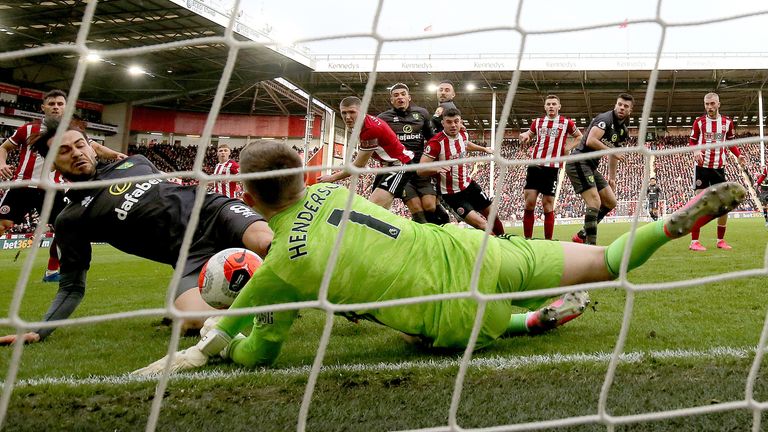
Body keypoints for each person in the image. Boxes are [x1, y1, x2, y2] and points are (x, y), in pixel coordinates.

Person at [133, 140, 745, 373]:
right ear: (303, 177)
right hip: (473, 246)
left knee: (422, 329)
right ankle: (668, 225)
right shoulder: (329, 189)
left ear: (245, 195)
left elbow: (261, 352)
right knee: (605, 262)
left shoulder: (282, 269)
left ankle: (527, 321)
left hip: (450, 308)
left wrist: (229, 339)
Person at [0, 123, 273, 345]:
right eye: (64, 151)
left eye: (80, 145)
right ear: (53, 165)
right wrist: (40, 331)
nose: (75, 153)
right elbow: (71, 287)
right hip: (190, 256)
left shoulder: (137, 162)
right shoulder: (70, 219)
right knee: (191, 320)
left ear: (93, 149)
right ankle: (268, 300)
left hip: (214, 211)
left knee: (264, 242)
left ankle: (280, 284)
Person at [0, 89, 126, 282]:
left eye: (60, 104)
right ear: (43, 107)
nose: (56, 107)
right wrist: (1, 164)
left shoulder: (72, 132)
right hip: (23, 186)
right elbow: (4, 148)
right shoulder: (27, 129)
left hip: (54, 190)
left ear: (67, 108)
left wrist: (115, 155)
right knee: (2, 224)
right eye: (51, 104)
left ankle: (52, 272)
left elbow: (95, 148)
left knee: (65, 229)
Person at [317, 96, 414, 209]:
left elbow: (358, 165)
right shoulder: (361, 123)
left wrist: (332, 178)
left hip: (400, 165)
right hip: (387, 166)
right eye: (344, 113)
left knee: (372, 208)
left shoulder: (370, 129)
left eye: (352, 112)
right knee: (381, 211)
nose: (347, 117)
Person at [417, 108, 503, 235]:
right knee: (482, 225)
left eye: (456, 121)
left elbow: (466, 144)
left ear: (460, 122)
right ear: (443, 123)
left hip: (470, 186)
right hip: (452, 195)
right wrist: (436, 168)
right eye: (449, 122)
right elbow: (420, 170)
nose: (453, 125)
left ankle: (506, 241)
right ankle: (498, 249)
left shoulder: (463, 134)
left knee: (493, 216)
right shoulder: (436, 143)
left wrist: (484, 149)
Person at [566, 93, 634, 245]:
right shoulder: (605, 119)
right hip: (579, 161)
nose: (622, 108)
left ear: (630, 111)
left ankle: (581, 234)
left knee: (611, 202)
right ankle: (591, 246)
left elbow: (613, 156)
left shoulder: (623, 130)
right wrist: (612, 151)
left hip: (591, 166)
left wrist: (612, 178)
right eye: (620, 104)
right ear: (615, 105)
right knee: (595, 203)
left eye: (626, 106)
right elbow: (591, 140)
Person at [377, 83, 448, 225]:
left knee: (430, 206)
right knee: (416, 208)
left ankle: (439, 227)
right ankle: (424, 241)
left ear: (409, 97)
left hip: (421, 169)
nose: (400, 97)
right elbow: (374, 142)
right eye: (396, 95)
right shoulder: (383, 118)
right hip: (402, 170)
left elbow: (432, 139)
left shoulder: (421, 113)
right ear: (391, 100)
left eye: (403, 94)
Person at [687, 92, 747, 251]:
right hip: (702, 168)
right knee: (699, 204)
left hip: (719, 168)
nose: (709, 107)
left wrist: (739, 155)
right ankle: (694, 242)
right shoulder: (699, 122)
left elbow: (730, 142)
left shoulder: (727, 122)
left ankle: (720, 240)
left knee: (724, 205)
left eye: (712, 104)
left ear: (718, 104)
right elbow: (692, 141)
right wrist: (695, 151)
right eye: (707, 104)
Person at [518, 94, 583, 239]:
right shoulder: (538, 122)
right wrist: (525, 136)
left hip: (552, 168)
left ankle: (548, 241)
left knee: (547, 205)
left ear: (559, 106)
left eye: (554, 104)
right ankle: (527, 240)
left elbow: (580, 137)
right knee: (529, 203)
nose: (551, 106)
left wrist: (568, 147)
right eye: (548, 104)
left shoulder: (567, 123)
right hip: (535, 166)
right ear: (545, 107)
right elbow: (529, 134)